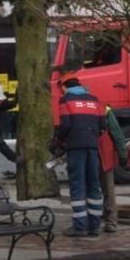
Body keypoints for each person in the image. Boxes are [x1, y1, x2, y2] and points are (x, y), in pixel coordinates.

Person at [54, 75, 106, 238]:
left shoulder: (65, 100)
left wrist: (58, 140)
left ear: (64, 86)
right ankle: (95, 225)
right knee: (93, 185)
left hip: (76, 148)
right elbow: (103, 126)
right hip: (92, 147)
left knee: (77, 186)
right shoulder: (95, 100)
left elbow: (65, 125)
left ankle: (80, 227)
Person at [99, 105, 128, 233]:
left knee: (101, 188)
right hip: (103, 151)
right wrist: (122, 152)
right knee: (108, 187)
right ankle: (110, 220)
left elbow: (116, 131)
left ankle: (107, 219)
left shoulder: (72, 106)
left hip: (93, 152)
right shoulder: (103, 108)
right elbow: (116, 132)